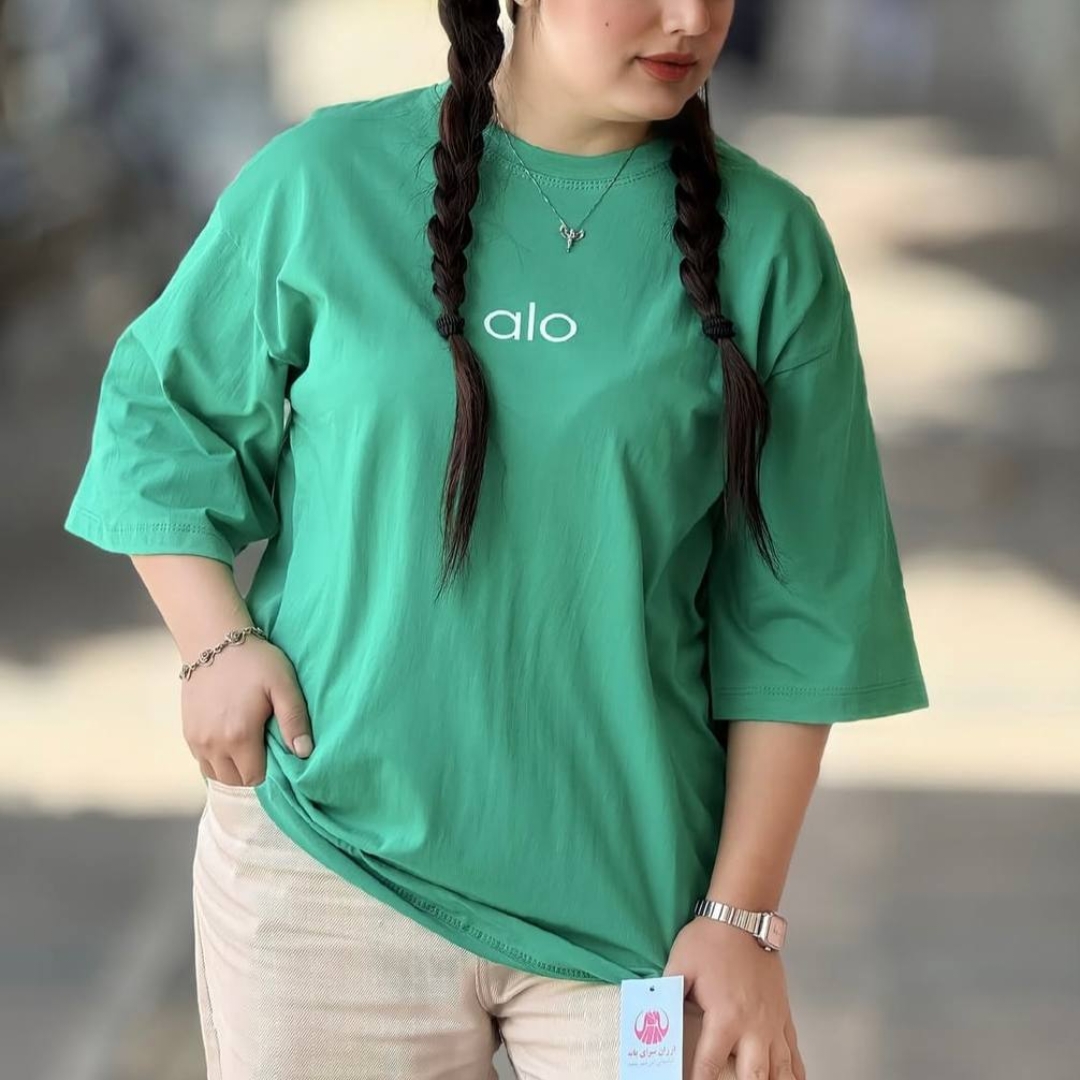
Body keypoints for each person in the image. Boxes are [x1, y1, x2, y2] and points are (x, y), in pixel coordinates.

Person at [62, 1, 929, 1078]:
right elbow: (165, 413)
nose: (691, 19)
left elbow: (798, 607)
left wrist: (741, 918)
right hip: (330, 872)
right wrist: (213, 643)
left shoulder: (770, 245)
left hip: (639, 914)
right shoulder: (326, 180)